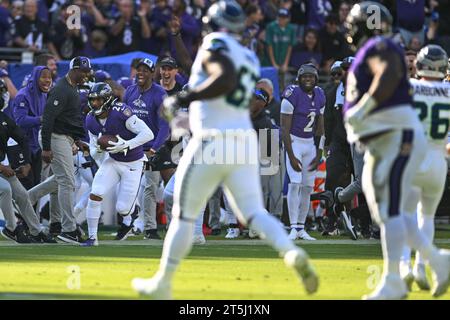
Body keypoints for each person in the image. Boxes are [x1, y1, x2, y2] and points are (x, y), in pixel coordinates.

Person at [131, 0, 318, 300]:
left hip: (212, 139)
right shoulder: (248, 56)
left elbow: (223, 78)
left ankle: (162, 284)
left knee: (183, 215)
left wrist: (184, 98)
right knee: (254, 212)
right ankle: (291, 253)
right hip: (242, 139)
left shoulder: (216, 42)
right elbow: (220, 86)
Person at [343, 2, 450, 300]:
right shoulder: (384, 46)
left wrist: (362, 110)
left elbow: (388, 75)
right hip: (407, 144)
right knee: (389, 211)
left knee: (390, 210)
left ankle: (394, 279)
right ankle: (436, 260)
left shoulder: (379, 47)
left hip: (393, 138)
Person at [400, 45, 450, 292]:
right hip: (438, 159)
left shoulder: (408, 87)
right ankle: (421, 266)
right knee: (426, 216)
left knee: (403, 215)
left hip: (411, 156)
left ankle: (403, 267)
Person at [81, 83, 154, 246]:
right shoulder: (90, 119)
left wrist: (127, 145)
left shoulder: (121, 112)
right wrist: (99, 150)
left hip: (133, 163)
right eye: (92, 100)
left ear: (107, 99)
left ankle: (132, 213)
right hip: (113, 160)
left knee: (123, 209)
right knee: (96, 192)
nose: (94, 104)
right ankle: (92, 237)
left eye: (98, 100)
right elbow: (94, 149)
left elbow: (148, 134)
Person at [36, 56, 92, 244]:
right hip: (53, 136)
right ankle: (69, 229)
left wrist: (76, 140)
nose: (85, 74)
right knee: (68, 182)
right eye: (83, 71)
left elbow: (67, 119)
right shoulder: (61, 88)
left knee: (61, 180)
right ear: (73, 70)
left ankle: (26, 199)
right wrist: (46, 147)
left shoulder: (71, 87)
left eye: (87, 71)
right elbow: (48, 118)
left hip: (64, 136)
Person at [0, 79, 55, 244]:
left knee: (22, 195)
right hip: (1, 167)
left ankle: (36, 231)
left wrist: (26, 163)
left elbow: (22, 138)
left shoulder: (3, 117)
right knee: (5, 189)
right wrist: (2, 167)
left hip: (2, 167)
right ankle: (11, 228)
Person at [123, 58, 168, 240]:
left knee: (151, 186)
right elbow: (123, 119)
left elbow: (165, 126)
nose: (140, 73)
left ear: (152, 73)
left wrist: (154, 149)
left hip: (152, 147)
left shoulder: (160, 94)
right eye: (138, 69)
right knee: (128, 187)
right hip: (133, 146)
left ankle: (152, 228)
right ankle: (128, 224)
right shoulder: (130, 91)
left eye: (145, 70)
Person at [281, 63, 325, 241]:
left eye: (311, 77)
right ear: (299, 79)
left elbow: (321, 125)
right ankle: (293, 227)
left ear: (315, 79)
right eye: (305, 77)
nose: (308, 79)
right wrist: (291, 155)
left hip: (310, 144)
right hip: (294, 141)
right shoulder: (291, 95)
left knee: (307, 187)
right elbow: (284, 128)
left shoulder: (320, 94)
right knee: (295, 183)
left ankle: (301, 227)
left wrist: (320, 151)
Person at [13, 66, 52, 189]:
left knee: (37, 183)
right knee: (27, 184)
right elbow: (20, 120)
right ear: (35, 78)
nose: (47, 80)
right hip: (23, 145)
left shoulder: (44, 95)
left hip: (38, 145)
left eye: (49, 77)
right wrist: (40, 119)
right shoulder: (22, 95)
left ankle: (33, 209)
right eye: (44, 77)